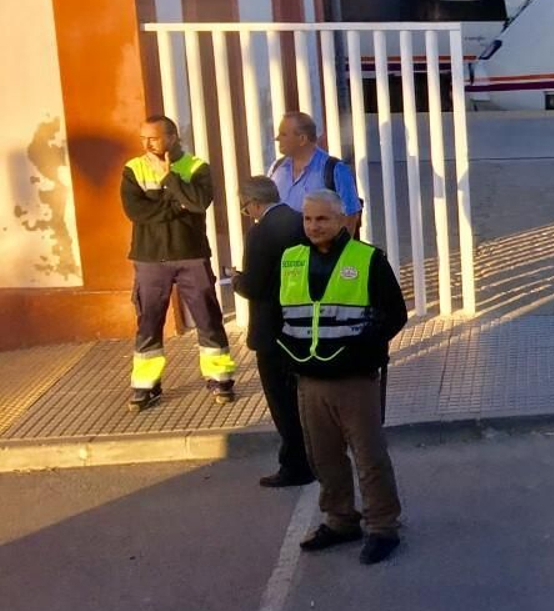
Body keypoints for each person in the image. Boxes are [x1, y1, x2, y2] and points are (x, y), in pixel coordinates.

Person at [279, 189, 409, 565]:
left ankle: (382, 527)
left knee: (369, 458)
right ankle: (340, 521)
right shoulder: (291, 259)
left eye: (322, 219)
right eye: (308, 219)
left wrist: (360, 351)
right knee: (323, 457)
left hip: (355, 379)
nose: (314, 226)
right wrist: (287, 354)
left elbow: (394, 314)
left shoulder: (368, 259)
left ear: (342, 220)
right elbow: (278, 312)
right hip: (309, 379)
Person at [120, 115, 236, 411]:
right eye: (143, 138)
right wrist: (176, 203)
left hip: (191, 254)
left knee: (207, 318)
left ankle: (220, 379)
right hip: (149, 259)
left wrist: (170, 178)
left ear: (172, 137)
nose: (147, 144)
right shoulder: (133, 169)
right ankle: (146, 385)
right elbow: (137, 212)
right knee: (149, 321)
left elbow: (198, 203)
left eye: (154, 138)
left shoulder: (198, 167)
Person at [232, 175, 313, 488]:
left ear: (253, 203)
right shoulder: (299, 220)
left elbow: (254, 285)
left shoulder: (260, 232)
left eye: (245, 207)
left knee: (282, 404)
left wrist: (236, 279)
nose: (247, 213)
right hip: (301, 325)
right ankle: (315, 457)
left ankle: (295, 466)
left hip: (271, 330)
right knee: (303, 398)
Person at [268, 111, 362, 224]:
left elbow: (350, 216)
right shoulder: (276, 168)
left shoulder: (334, 170)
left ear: (302, 139)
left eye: (283, 134)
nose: (277, 138)